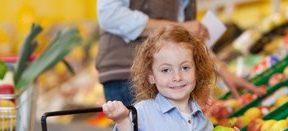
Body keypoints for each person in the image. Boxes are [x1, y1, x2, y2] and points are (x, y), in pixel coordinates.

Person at [102, 24, 242, 131]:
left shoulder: (204, 125)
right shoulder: (143, 113)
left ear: (197, 72)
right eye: (166, 70)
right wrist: (123, 122)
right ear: (151, 76)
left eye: (185, 68)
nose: (177, 77)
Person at [96, 0, 266, 105]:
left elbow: (184, 41)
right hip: (127, 74)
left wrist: (222, 70)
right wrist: (181, 27)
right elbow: (109, 14)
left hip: (168, 74)